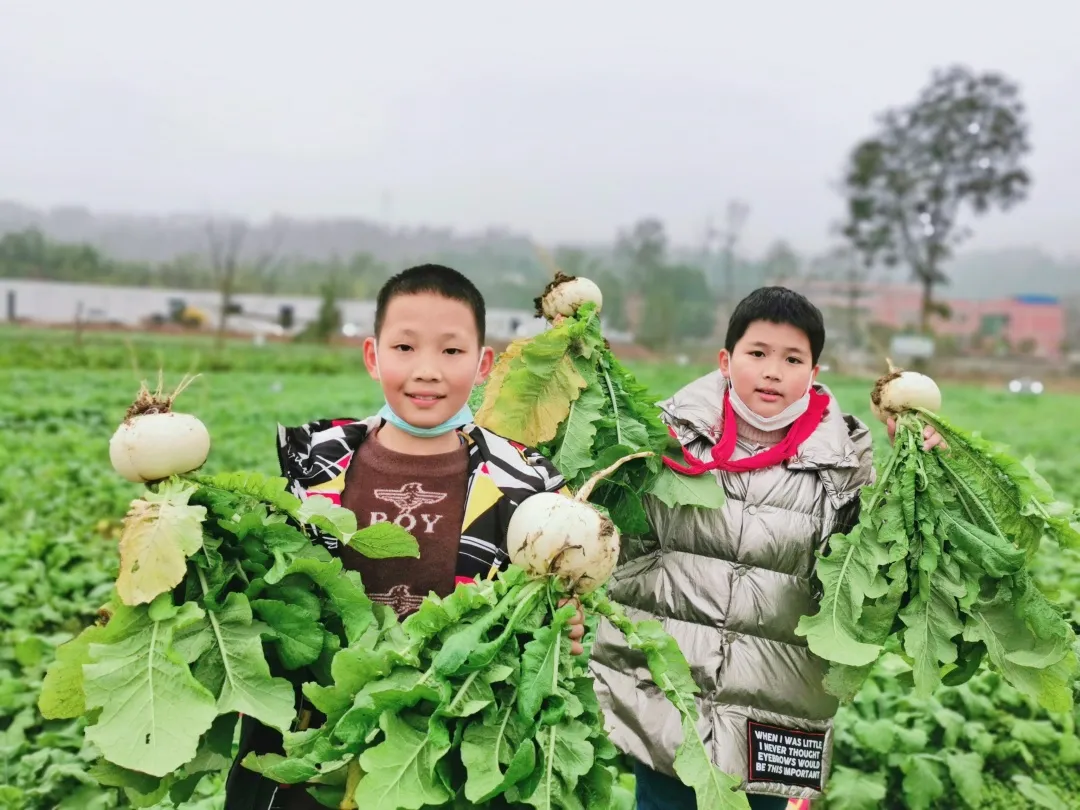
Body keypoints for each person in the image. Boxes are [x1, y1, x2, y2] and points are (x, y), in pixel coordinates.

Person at [223, 264, 586, 810]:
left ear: (483, 364)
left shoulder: (527, 486)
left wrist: (568, 625)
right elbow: (278, 598)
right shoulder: (316, 465)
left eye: (451, 352)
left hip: (448, 747)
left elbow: (550, 618)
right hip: (314, 744)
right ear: (373, 356)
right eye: (405, 348)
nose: (427, 371)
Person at [588, 287, 943, 809]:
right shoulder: (663, 438)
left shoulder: (845, 463)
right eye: (758, 354)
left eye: (792, 358)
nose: (773, 371)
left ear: (814, 372)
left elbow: (883, 569)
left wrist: (921, 471)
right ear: (726, 361)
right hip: (671, 695)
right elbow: (614, 540)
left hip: (777, 707)